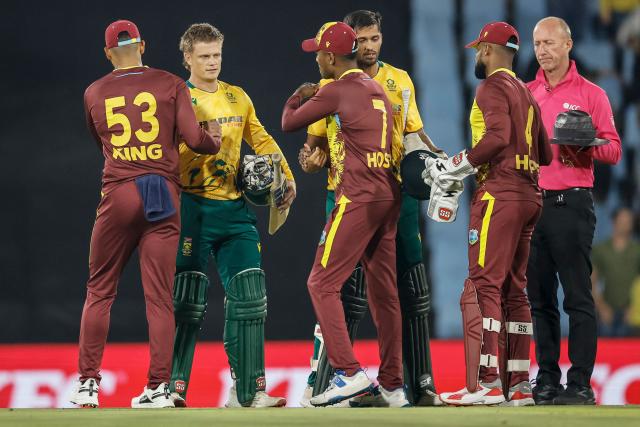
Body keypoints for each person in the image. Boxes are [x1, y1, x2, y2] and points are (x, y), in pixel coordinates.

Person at [70, 19, 222, 409]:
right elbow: (195, 140)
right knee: (159, 297)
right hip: (161, 193)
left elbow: (100, 141)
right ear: (144, 45)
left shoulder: (94, 91)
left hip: (119, 191)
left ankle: (87, 384)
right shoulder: (171, 83)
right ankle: (159, 387)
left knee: (100, 290)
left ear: (108, 53)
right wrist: (213, 139)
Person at [297, 10, 442, 407]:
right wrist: (311, 157)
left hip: (361, 195)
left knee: (350, 286)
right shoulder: (360, 86)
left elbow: (414, 133)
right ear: (350, 44)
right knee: (370, 294)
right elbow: (315, 145)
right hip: (373, 192)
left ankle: (353, 377)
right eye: (362, 39)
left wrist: (431, 155)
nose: (369, 45)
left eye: (375, 38)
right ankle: (381, 384)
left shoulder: (393, 81)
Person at [169, 23, 294, 408]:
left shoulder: (237, 97)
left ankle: (249, 392)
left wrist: (286, 176)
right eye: (204, 56)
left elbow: (262, 139)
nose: (212, 63)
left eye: (216, 55)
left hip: (235, 210)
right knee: (187, 302)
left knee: (250, 297)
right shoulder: (176, 98)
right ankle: (171, 388)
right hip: (192, 208)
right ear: (187, 57)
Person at [282, 21, 406, 407]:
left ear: (330, 57)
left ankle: (348, 373)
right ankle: (392, 384)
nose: (316, 58)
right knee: (384, 293)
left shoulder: (336, 88)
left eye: (317, 52)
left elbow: (289, 123)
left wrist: (298, 95)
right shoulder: (376, 87)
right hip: (389, 192)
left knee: (321, 283)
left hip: (359, 195)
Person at [430, 21, 552, 406]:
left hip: (499, 194)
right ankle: (518, 385)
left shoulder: (491, 87)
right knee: (516, 291)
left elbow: (496, 137)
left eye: (478, 51)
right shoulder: (527, 93)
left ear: (486, 50)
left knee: (485, 284)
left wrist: (458, 162)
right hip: (531, 194)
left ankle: (488, 383)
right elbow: (546, 154)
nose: (476, 58)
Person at [526, 16, 622, 405]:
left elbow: (613, 151)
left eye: (549, 42)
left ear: (568, 44)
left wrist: (584, 144)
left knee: (578, 298)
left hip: (572, 204)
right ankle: (546, 381)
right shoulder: (525, 93)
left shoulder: (592, 94)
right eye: (537, 44)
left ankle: (580, 383)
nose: (542, 50)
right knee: (541, 300)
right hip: (533, 206)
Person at [592, 207, 640, 336]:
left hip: (631, 312)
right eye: (622, 220)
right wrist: (602, 308)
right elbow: (592, 282)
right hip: (607, 311)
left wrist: (634, 309)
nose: (626, 224)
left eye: (629, 221)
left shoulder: (637, 250)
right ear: (614, 222)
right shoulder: (601, 249)